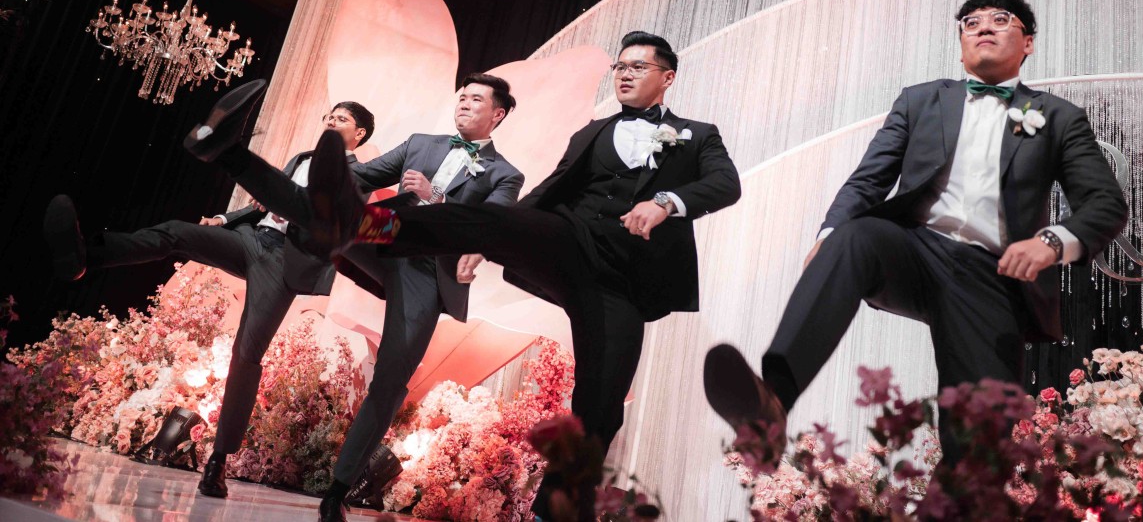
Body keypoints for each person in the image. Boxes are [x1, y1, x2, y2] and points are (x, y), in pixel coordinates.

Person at [302, 31, 741, 518]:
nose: (624, 74)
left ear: (667, 77)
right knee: (491, 218)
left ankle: (553, 512)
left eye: (637, 67)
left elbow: (726, 183)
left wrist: (667, 202)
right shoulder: (592, 133)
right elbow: (547, 194)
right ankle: (355, 222)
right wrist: (492, 236)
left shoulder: (697, 134)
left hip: (623, 282)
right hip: (570, 241)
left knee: (601, 402)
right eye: (619, 66)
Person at [702, 0, 1129, 464]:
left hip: (993, 276)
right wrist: (828, 237)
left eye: (1000, 19)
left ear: (1027, 42)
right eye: (971, 22)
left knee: (979, 448)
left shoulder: (1060, 117)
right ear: (961, 45)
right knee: (854, 235)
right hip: (915, 250)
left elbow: (1106, 203)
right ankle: (771, 407)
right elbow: (868, 180)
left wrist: (1051, 242)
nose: (983, 27)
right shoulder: (920, 100)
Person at [41, 83, 376, 500]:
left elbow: (335, 223)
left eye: (341, 119)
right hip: (252, 240)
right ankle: (84, 258)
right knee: (177, 233)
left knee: (246, 354)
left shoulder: (360, 176)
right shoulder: (302, 158)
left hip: (283, 263)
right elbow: (264, 203)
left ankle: (218, 463)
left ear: (359, 134)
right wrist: (224, 218)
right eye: (329, 115)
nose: (331, 122)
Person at [214, 73, 524, 521]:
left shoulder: (505, 174)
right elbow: (361, 174)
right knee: (331, 216)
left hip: (429, 264)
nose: (463, 103)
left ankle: (337, 493)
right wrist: (313, 183)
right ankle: (229, 152)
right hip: (388, 230)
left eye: (475, 99)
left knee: (391, 377)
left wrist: (435, 196)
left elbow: (487, 225)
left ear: (498, 114)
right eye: (461, 96)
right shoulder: (422, 143)